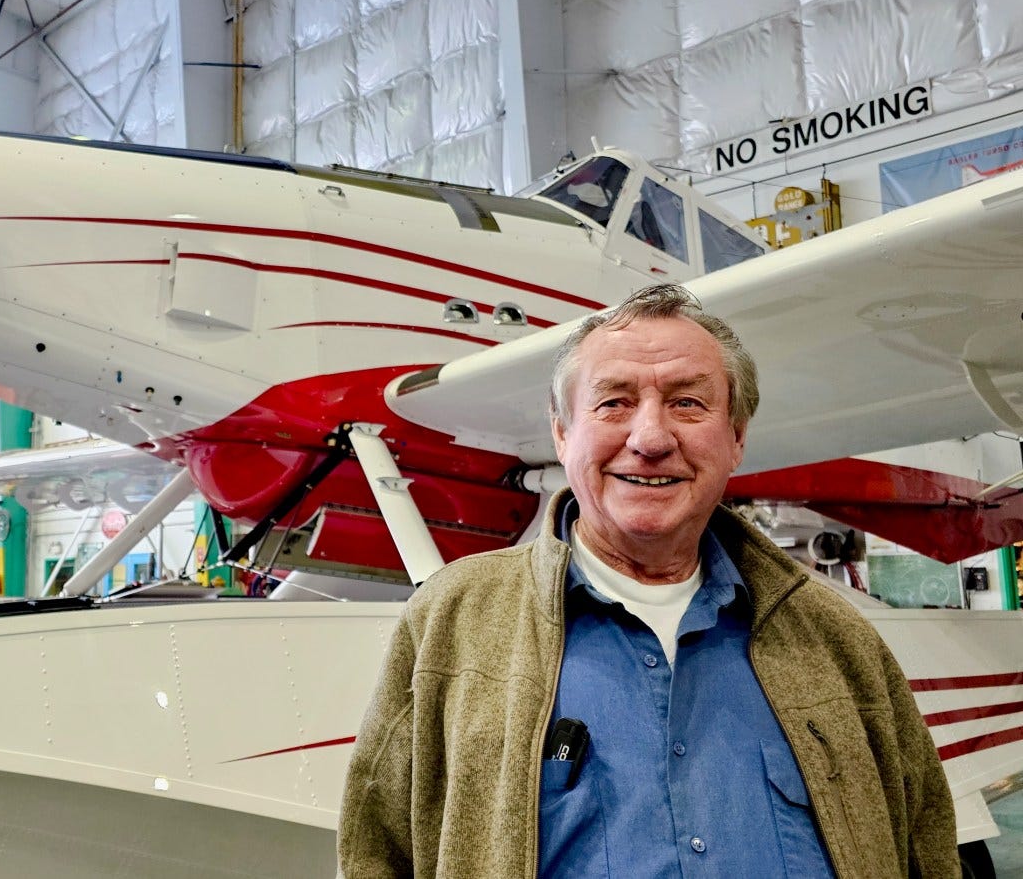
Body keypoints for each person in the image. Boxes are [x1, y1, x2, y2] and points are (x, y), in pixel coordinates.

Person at [337, 283, 958, 877]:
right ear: (562, 431)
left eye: (688, 402)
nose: (652, 438)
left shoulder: (837, 638)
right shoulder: (452, 623)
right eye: (614, 403)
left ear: (736, 437)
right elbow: (376, 853)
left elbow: (923, 841)